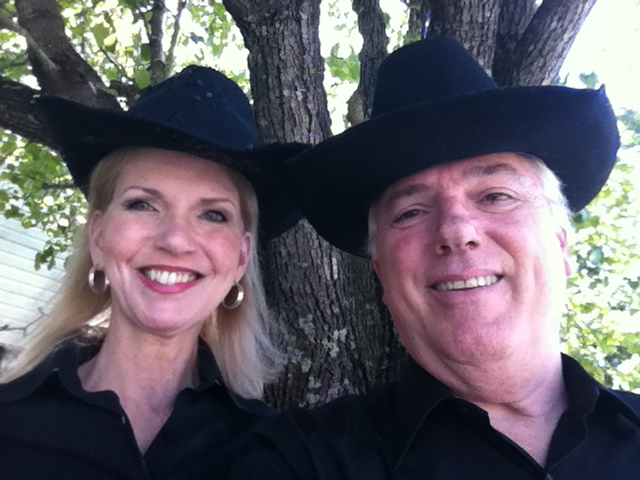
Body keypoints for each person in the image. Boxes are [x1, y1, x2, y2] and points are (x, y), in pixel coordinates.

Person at [229, 37, 640, 479]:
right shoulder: (299, 462)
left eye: (496, 196)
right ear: (382, 275)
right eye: (411, 212)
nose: (455, 231)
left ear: (560, 245)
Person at [0, 65, 305, 479]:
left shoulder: (279, 455)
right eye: (143, 204)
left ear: (240, 258)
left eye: (213, 214)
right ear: (97, 238)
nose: (176, 241)